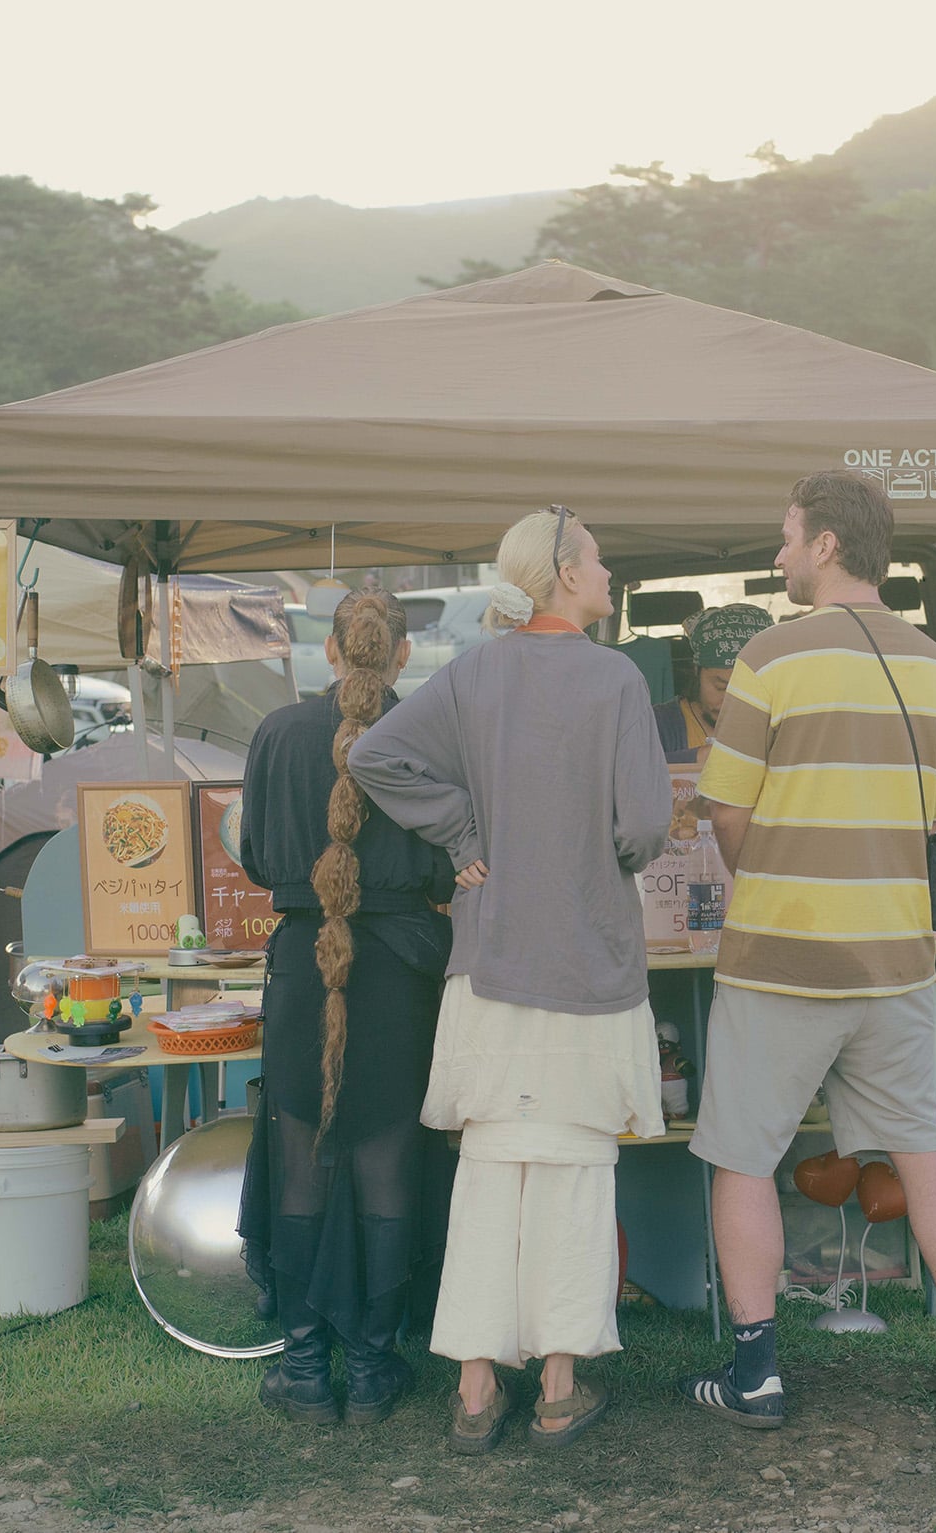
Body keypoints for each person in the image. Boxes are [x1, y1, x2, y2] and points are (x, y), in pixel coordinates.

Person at [678, 468, 936, 1428]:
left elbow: (725, 812)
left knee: (743, 1157)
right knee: (920, 1144)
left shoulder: (771, 660)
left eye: (787, 536)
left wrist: (772, 871)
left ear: (826, 545)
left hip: (782, 957)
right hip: (896, 958)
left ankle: (757, 1372)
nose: (778, 554)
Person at [349, 505, 672, 1455]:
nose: (609, 577)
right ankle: (561, 1388)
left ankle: (476, 1391)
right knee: (572, 1174)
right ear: (567, 573)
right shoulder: (615, 679)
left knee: (489, 1175)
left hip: (488, 966)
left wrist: (464, 831)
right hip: (588, 960)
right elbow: (645, 825)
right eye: (602, 562)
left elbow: (375, 755)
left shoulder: (473, 671)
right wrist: (596, 843)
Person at [238, 590, 460, 1427]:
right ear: (402, 657)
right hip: (401, 972)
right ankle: (371, 1367)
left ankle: (304, 1366)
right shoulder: (433, 735)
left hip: (303, 966)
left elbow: (259, 858)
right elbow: (445, 872)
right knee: (387, 1162)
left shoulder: (275, 733)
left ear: (329, 651)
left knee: (302, 1156)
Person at [653, 603, 775, 764]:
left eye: (748, 690)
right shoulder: (658, 724)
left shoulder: (783, 722)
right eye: (721, 687)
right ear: (696, 672)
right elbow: (628, 770)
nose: (731, 702)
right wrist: (695, 758)